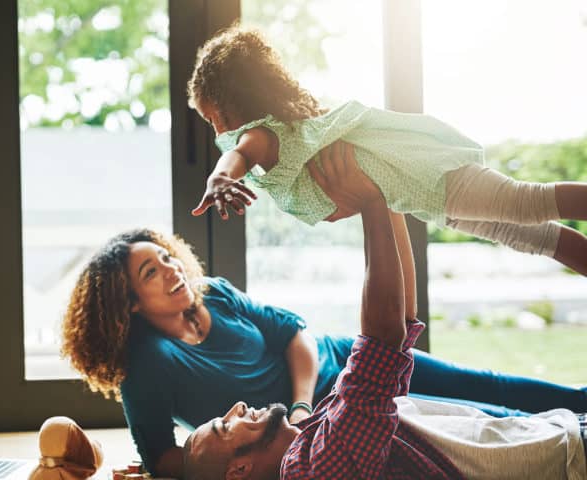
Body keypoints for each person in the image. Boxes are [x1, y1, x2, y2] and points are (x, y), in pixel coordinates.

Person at [60, 168, 587, 478]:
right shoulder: (149, 367)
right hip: (344, 401)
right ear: (127, 302)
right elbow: (163, 458)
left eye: (168, 257)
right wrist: (374, 201)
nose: (172, 269)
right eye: (152, 271)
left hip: (331, 391)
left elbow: (301, 331)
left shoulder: (213, 296)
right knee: (495, 419)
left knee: (496, 401)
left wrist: (389, 201)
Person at [187, 25, 587, 276]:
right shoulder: (295, 133)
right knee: (535, 237)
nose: (216, 131)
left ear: (233, 103)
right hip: (425, 195)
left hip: (428, 176)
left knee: (525, 202)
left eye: (212, 119)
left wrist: (220, 178)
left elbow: (237, 156)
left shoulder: (262, 137)